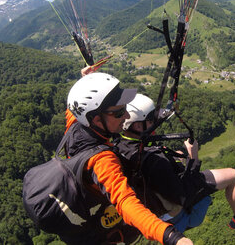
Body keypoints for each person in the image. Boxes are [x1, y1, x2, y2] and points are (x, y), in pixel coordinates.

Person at [64, 72, 193, 245]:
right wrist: (170, 236)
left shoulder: (76, 126)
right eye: (119, 112)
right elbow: (125, 202)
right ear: (96, 119)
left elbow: (74, 109)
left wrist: (87, 79)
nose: (126, 116)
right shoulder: (101, 161)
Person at [117, 93, 235, 232]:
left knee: (179, 155)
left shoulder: (121, 145)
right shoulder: (155, 161)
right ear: (137, 126)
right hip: (180, 216)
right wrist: (193, 157)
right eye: (150, 121)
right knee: (233, 175)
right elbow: (183, 195)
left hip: (154, 201)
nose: (155, 124)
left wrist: (172, 159)